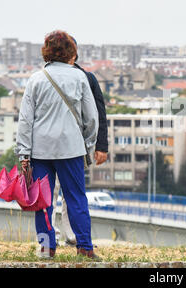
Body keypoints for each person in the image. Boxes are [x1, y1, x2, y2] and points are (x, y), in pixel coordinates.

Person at [15, 30, 100, 260]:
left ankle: (46, 248)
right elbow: (91, 117)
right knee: (76, 198)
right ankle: (84, 246)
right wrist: (88, 143)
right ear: (71, 52)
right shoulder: (79, 77)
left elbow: (25, 119)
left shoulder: (35, 79)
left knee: (42, 201)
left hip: (40, 150)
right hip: (71, 148)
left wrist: (24, 153)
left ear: (47, 52)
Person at [51, 36, 109, 246]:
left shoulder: (87, 78)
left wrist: (101, 146)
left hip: (76, 143)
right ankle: (53, 236)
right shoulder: (47, 76)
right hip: (55, 143)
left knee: (70, 192)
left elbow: (98, 113)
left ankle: (71, 235)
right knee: (54, 190)